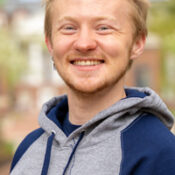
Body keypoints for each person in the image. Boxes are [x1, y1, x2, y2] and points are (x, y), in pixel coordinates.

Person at [10, 0, 175, 174]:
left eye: (104, 28)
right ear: (50, 42)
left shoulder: (159, 155)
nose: (84, 44)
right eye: (69, 28)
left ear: (137, 43)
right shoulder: (29, 149)